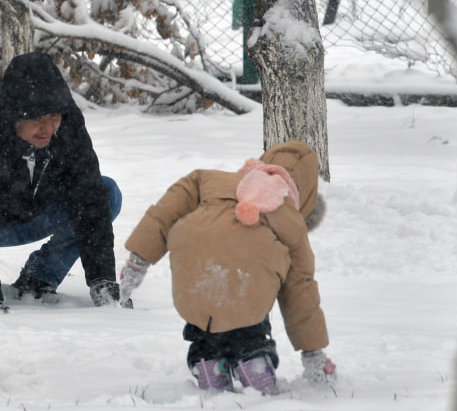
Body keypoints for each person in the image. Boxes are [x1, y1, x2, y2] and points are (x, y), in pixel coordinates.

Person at [117, 140, 336, 394]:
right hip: (248, 276)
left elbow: (163, 213)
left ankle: (207, 359)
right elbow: (301, 290)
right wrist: (313, 353)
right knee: (247, 291)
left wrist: (138, 259)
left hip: (193, 261)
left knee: (208, 305)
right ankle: (251, 358)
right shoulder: (288, 215)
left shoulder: (208, 179)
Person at [0, 51, 122, 313]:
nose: (48, 128)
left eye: (53, 117)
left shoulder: (67, 121)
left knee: (106, 192)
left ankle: (38, 279)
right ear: (13, 113)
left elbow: (89, 194)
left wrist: (104, 284)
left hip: (32, 212)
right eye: (36, 119)